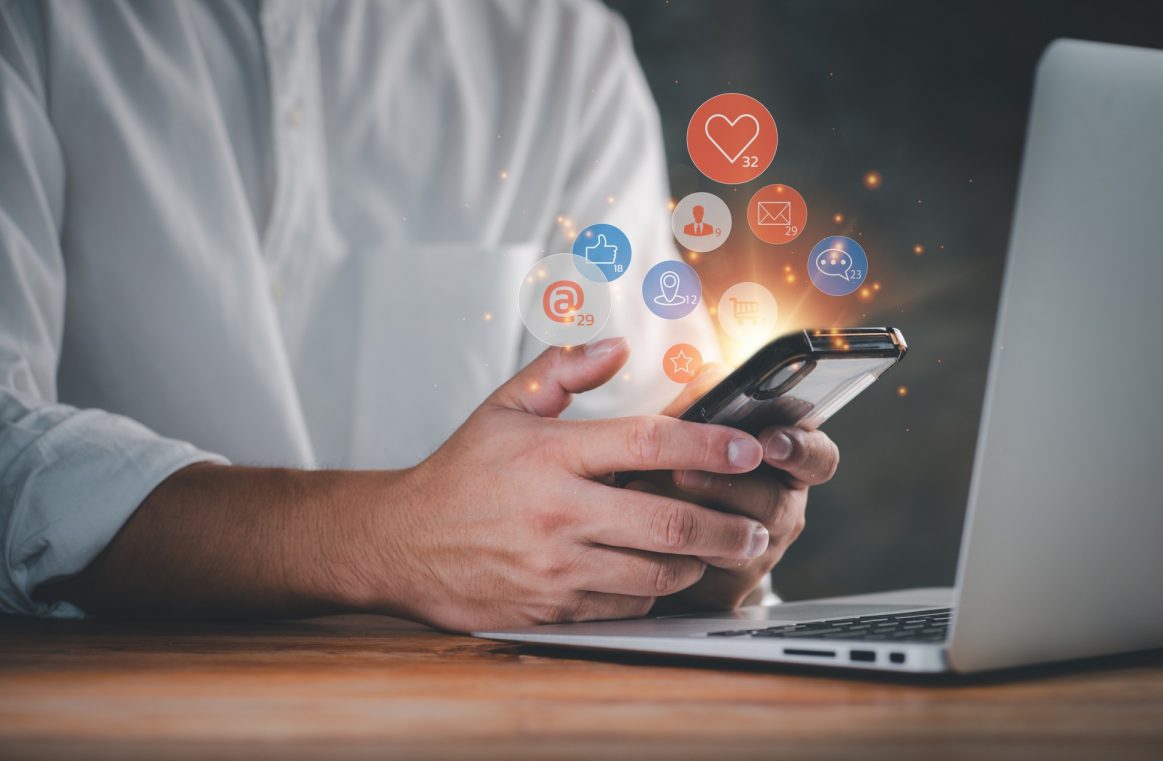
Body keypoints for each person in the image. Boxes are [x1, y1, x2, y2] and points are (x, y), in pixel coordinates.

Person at [0, 0, 838, 629]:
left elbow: (631, 426)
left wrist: (691, 543)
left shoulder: (560, 47)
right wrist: (384, 537)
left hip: (487, 741)